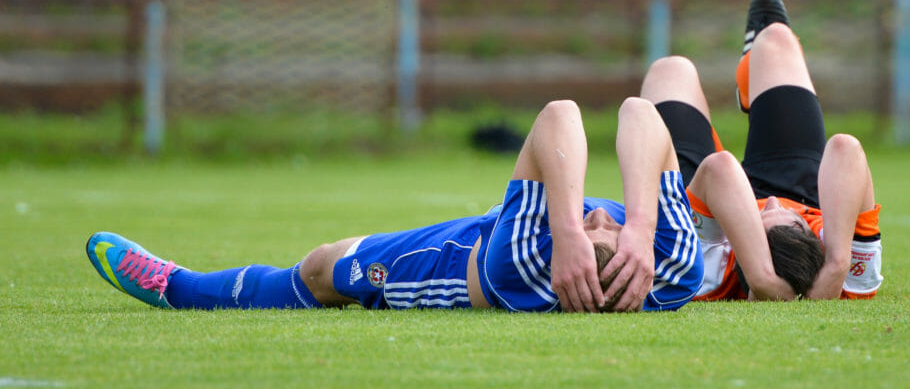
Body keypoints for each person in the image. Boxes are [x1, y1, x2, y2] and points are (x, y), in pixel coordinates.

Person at [86, 97, 704, 312]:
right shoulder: (671, 266)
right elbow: (640, 115)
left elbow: (560, 116)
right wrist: (640, 227)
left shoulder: (527, 262)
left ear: (564, 269)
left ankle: (179, 287)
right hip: (543, 224)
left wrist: (564, 231)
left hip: (458, 260)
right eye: (607, 228)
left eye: (598, 230)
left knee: (323, 270)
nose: (604, 216)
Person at [641, 0, 883, 300]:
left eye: (761, 220)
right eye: (796, 224)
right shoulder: (851, 280)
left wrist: (763, 278)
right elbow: (845, 149)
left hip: (708, 211)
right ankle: (750, 84)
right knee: (775, 38)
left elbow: (719, 167)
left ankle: (711, 138)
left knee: (671, 70)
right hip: (798, 190)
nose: (772, 202)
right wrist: (837, 263)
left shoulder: (705, 275)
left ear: (738, 256)